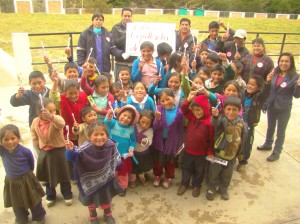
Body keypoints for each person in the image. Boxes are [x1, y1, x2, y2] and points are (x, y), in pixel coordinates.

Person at [66, 122, 122, 224]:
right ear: (89, 136)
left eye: (102, 134)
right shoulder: (85, 148)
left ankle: (108, 213)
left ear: (107, 135)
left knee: (107, 198)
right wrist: (70, 150)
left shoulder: (111, 145)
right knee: (91, 201)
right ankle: (93, 216)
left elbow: (116, 158)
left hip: (106, 179)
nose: (99, 137)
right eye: (95, 134)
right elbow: (73, 156)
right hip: (90, 182)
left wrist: (115, 171)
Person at [257, 53, 300, 162]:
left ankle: (277, 151)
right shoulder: (275, 73)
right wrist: (267, 80)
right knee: (270, 127)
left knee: (280, 130)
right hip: (271, 105)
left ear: (291, 63)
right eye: (281, 61)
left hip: (284, 108)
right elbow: (268, 90)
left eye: (286, 61)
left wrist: (299, 85)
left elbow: (296, 95)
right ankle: (267, 143)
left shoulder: (295, 76)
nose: (284, 63)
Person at [31, 98, 73, 207]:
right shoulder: (36, 121)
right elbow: (33, 132)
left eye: (54, 110)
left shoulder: (55, 119)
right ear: (39, 112)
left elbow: (61, 124)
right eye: (49, 111)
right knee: (48, 176)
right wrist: (36, 141)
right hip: (45, 152)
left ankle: (67, 194)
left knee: (63, 174)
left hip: (59, 151)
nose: (53, 112)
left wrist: (51, 116)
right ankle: (50, 195)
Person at [0, 124, 46, 224]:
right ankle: (21, 218)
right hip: (12, 182)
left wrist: (27, 175)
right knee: (16, 202)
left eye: (13, 138)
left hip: (27, 179)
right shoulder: (2, 151)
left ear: (19, 138)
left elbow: (31, 164)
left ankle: (39, 217)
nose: (10, 142)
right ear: (1, 141)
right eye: (6, 139)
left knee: (34, 200)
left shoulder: (25, 151)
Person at [206, 96, 248, 201]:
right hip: (219, 154)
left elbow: (243, 138)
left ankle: (223, 189)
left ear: (239, 110)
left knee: (227, 174)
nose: (231, 112)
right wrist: (215, 116)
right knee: (214, 173)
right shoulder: (221, 120)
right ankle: (212, 188)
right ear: (224, 110)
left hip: (232, 155)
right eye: (228, 109)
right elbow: (214, 123)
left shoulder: (241, 123)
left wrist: (241, 153)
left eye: (234, 110)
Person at [177, 94, 214, 197]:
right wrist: (188, 100)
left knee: (199, 171)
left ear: (205, 109)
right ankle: (184, 184)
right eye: (194, 110)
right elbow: (183, 108)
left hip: (201, 154)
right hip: (188, 151)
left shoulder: (210, 123)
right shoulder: (192, 117)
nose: (196, 112)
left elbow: (211, 140)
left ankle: (196, 186)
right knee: (186, 168)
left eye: (198, 110)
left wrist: (210, 152)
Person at [237, 75, 271, 170]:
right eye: (249, 84)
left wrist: (267, 82)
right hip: (239, 123)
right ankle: (236, 156)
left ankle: (243, 161)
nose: (249, 86)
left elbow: (265, 93)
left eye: (253, 85)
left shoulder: (259, 97)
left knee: (247, 143)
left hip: (249, 125)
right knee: (237, 141)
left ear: (259, 88)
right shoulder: (242, 94)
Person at [152, 88, 184, 189]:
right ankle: (157, 175)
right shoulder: (158, 110)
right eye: (162, 100)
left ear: (174, 98)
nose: (165, 102)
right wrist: (157, 119)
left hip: (171, 142)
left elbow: (180, 130)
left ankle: (169, 177)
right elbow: (155, 127)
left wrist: (179, 145)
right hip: (159, 141)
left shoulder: (179, 113)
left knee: (169, 162)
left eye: (168, 99)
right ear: (159, 102)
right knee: (158, 161)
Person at [104, 105, 139, 196]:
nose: (126, 118)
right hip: (112, 154)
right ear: (119, 115)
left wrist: (131, 148)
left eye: (129, 117)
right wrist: (109, 113)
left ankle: (123, 187)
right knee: (112, 171)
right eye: (124, 115)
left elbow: (133, 141)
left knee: (123, 173)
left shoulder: (131, 129)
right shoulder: (113, 123)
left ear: (131, 121)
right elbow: (106, 121)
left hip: (124, 155)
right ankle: (110, 185)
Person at [111, 7, 137, 79]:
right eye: (125, 16)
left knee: (132, 84)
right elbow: (115, 43)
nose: (127, 18)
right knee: (119, 85)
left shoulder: (136, 27)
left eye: (129, 16)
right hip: (120, 62)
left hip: (133, 62)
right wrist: (127, 35)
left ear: (131, 17)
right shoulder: (116, 28)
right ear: (121, 16)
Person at [132, 109, 155, 186]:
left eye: (147, 123)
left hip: (143, 153)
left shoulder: (150, 130)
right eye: (142, 122)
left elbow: (150, 141)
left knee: (142, 167)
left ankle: (142, 177)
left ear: (151, 123)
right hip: (133, 152)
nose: (144, 125)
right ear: (139, 119)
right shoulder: (134, 126)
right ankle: (133, 180)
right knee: (133, 167)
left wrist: (146, 141)